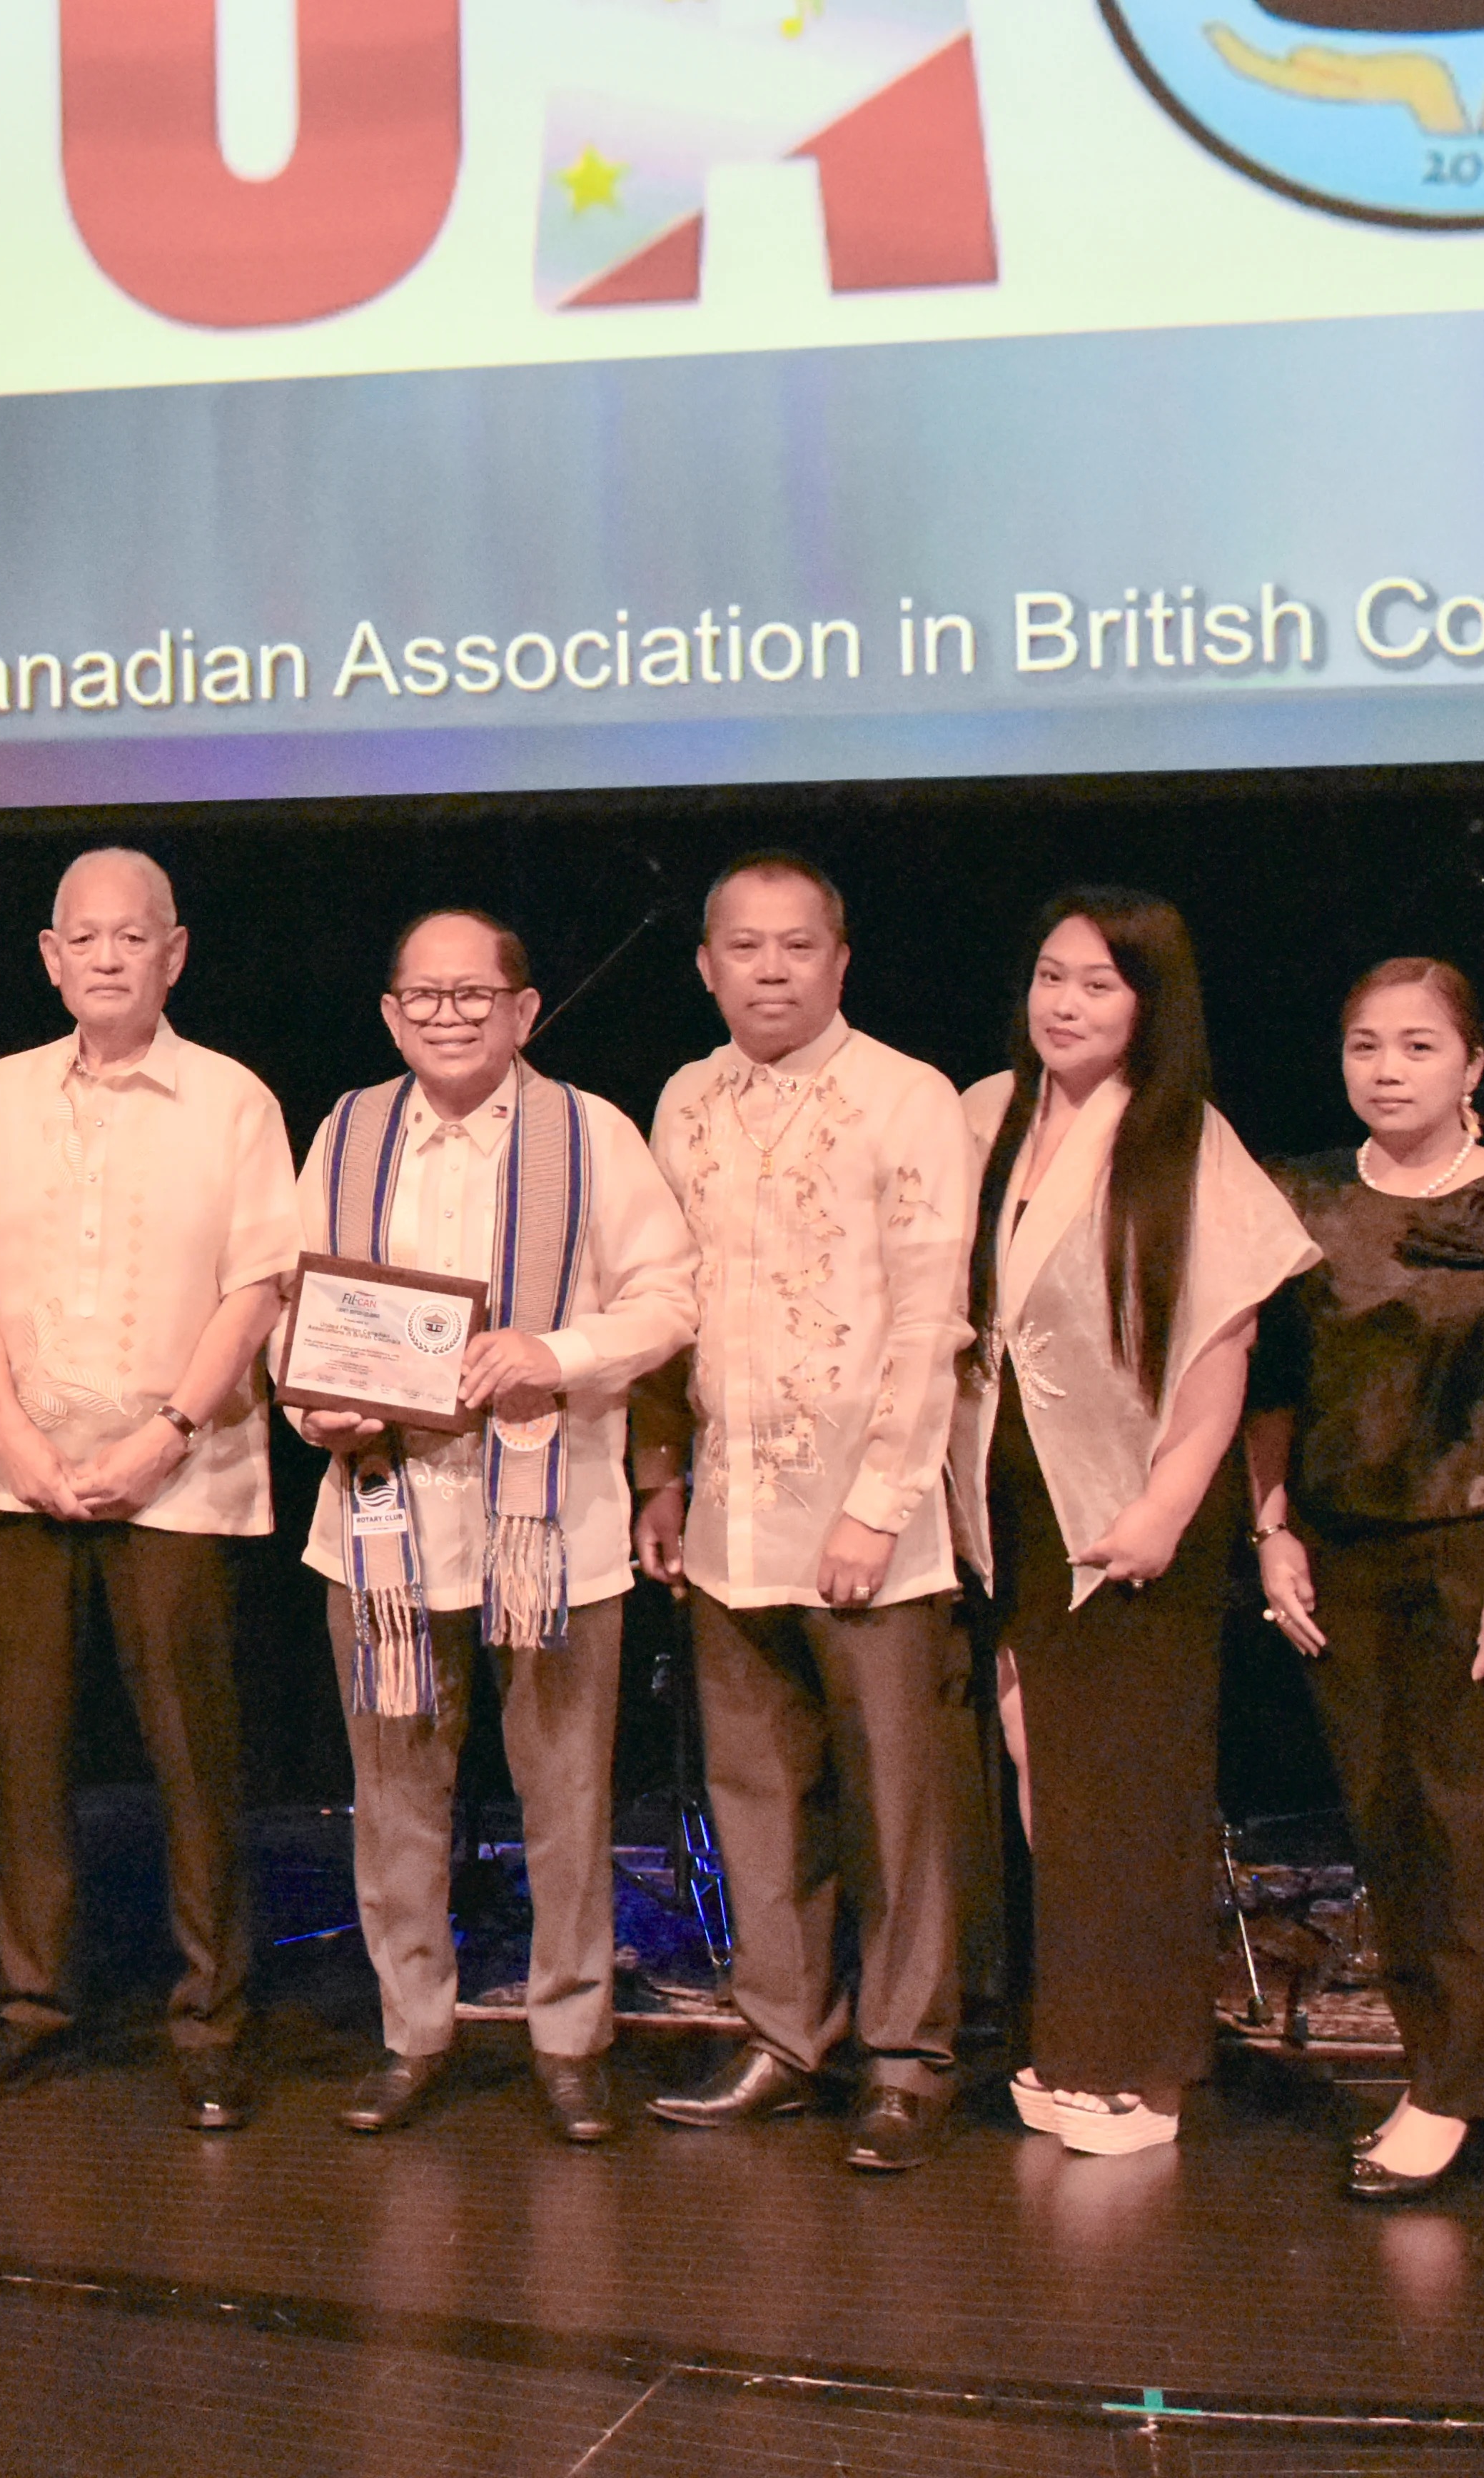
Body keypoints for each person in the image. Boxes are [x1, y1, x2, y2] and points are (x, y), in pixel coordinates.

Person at [288, 910, 695, 2141]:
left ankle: (571, 2038)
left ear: (523, 1011)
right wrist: (309, 1399)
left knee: (566, 1796)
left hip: (553, 1524)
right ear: (390, 1015)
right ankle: (412, 2030)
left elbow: (671, 1297)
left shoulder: (591, 1132)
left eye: (475, 996)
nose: (449, 1017)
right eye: (425, 996)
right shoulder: (348, 1131)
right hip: (382, 1522)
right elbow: (292, 1301)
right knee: (395, 1797)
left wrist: (554, 1352)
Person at [1246, 958, 1484, 2200]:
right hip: (1342, 1552)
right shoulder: (1300, 1198)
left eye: (1419, 1047)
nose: (1388, 1070)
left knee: (1477, 1829)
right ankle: (1433, 2072)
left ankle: (1451, 2093)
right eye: (1365, 1045)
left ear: (1474, 1063)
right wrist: (1271, 1527)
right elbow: (1273, 1387)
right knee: (1390, 1824)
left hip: (1481, 1548)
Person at [0, 847, 297, 2129]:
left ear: (173, 954)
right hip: (24, 1476)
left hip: (179, 1480)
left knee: (195, 1754)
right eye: (83, 938)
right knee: (24, 1752)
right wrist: (9, 1441)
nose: (107, 958)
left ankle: (212, 2018)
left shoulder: (232, 1099)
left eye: (132, 937)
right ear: (50, 957)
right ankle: (34, 2002)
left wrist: (168, 1433)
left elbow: (260, 1284)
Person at [952, 890, 1316, 2156]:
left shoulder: (1184, 1137)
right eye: (1051, 977)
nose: (1065, 1005)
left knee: (1128, 1790)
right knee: (1039, 1772)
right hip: (1001, 1497)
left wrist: (1167, 1505)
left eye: (1099, 984)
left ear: (1150, 1003)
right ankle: (1069, 2037)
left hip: (1127, 1501)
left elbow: (1226, 1344)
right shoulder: (987, 1115)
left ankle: (1137, 2066)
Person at [632, 852, 979, 2172]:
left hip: (866, 1520)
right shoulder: (687, 1097)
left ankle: (906, 2060)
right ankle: (785, 2036)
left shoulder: (905, 1095)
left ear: (839, 960)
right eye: (745, 947)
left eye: (796, 947)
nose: (769, 971)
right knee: (758, 1794)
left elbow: (931, 1318)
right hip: (730, 1516)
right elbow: (664, 1303)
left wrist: (879, 1505)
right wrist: (661, 1473)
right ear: (706, 965)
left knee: (895, 1804)